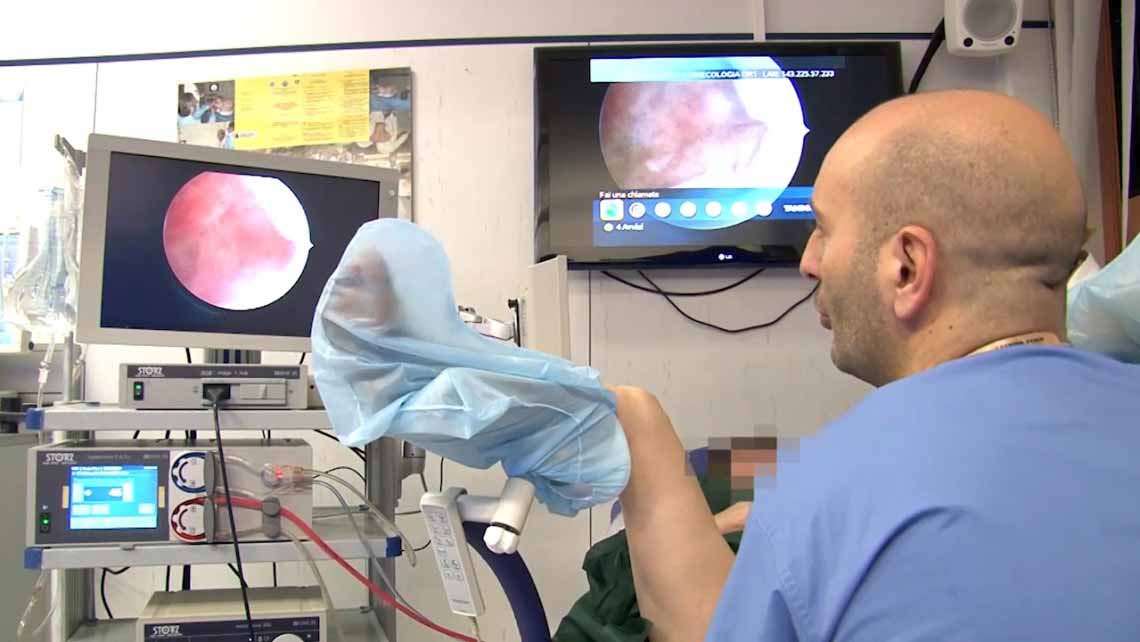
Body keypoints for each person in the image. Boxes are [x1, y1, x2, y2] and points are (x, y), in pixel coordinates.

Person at [609, 89, 1140, 641]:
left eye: (823, 228)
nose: (809, 262)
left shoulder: (823, 499)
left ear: (907, 266)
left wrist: (639, 426)